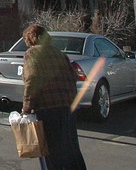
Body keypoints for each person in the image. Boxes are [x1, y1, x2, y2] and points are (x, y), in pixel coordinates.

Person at [21, 24, 87, 170]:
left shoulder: (32, 54)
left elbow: (32, 80)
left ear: (31, 39)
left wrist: (27, 107)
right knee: (71, 148)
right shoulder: (60, 53)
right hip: (68, 106)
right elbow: (73, 77)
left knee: (50, 152)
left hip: (47, 108)